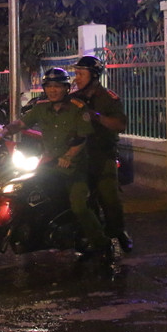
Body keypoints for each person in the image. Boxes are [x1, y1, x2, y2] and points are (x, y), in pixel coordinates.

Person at [0, 67, 110, 260]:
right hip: (48, 164)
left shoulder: (77, 108)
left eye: (57, 86)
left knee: (79, 206)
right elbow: (21, 124)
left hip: (74, 167)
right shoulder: (41, 108)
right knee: (27, 194)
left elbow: (82, 137)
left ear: (66, 88)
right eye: (49, 86)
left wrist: (69, 156)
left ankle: (101, 244)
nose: (53, 90)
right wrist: (3, 131)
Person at [69, 55, 132, 254]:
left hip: (102, 154)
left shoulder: (108, 98)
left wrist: (96, 116)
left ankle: (118, 231)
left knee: (109, 196)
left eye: (81, 74)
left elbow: (120, 124)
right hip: (79, 154)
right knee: (80, 198)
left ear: (94, 76)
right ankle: (90, 235)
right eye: (76, 73)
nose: (77, 78)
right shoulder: (73, 98)